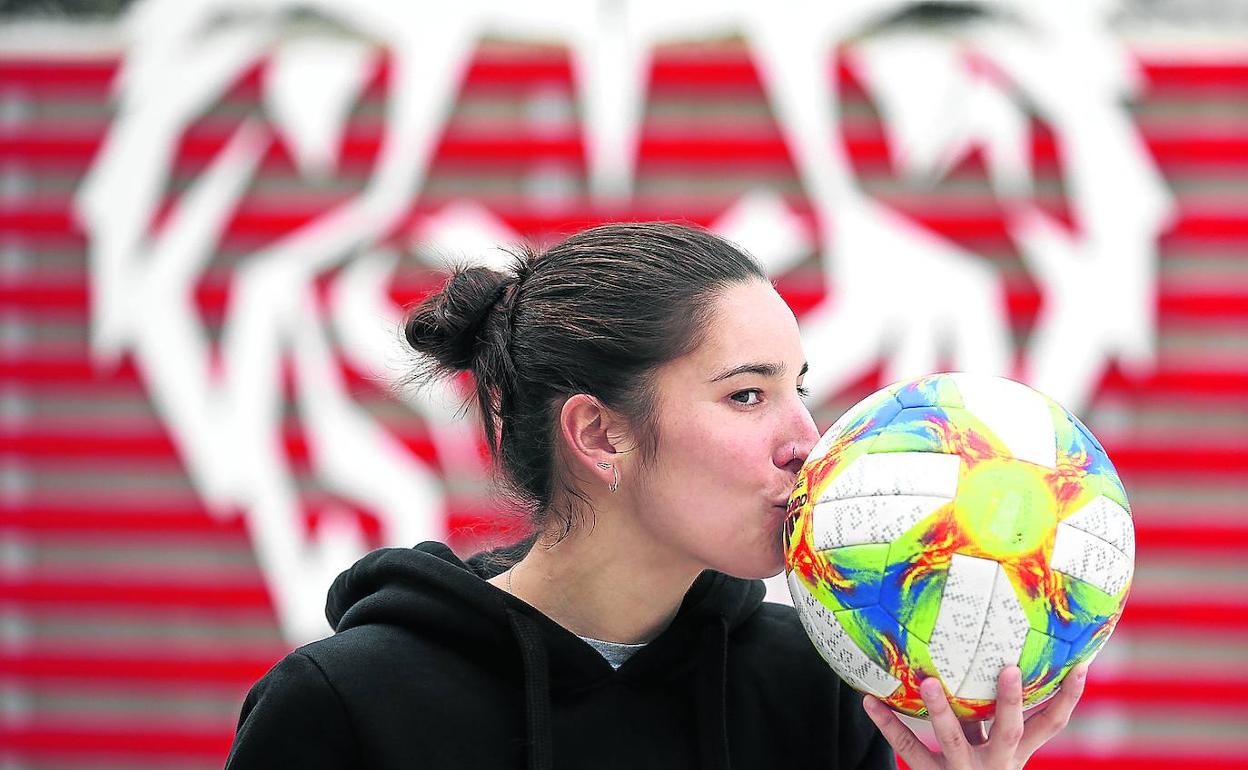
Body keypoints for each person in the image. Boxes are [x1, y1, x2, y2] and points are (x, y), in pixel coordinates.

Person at [223, 222, 1086, 770]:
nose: (808, 441)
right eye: (747, 395)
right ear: (600, 436)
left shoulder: (815, 687)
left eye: (800, 388)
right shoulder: (345, 708)